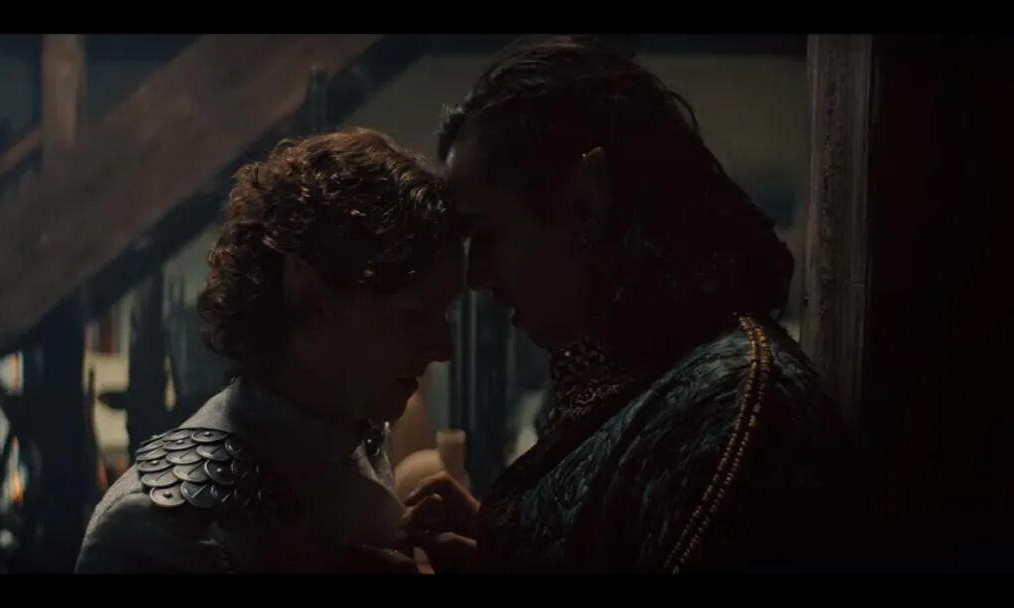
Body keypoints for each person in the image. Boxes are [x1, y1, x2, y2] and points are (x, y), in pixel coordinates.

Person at [404, 36, 858, 573]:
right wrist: (500, 551)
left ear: (584, 205)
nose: (477, 275)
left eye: (485, 233)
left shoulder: (736, 408)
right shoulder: (641, 374)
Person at [76, 128, 461, 573]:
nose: (443, 348)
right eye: (413, 316)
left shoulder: (356, 433)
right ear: (308, 292)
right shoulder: (155, 526)